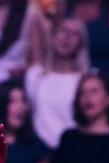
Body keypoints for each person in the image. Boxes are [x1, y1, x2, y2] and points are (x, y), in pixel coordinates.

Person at [23, 16, 88, 149]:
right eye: (63, 31)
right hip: (38, 152)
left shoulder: (85, 81)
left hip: (71, 151)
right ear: (52, 36)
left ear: (81, 44)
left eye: (74, 34)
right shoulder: (35, 76)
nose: (67, 37)